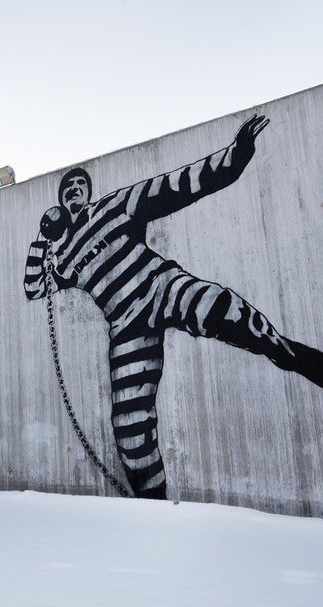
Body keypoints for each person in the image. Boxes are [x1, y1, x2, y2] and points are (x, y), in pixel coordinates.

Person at [24, 114, 323, 499]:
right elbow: (34, 287)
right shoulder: (63, 257)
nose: (74, 190)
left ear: (89, 191)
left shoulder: (115, 206)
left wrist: (235, 156)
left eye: (80, 184)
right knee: (130, 430)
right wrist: (42, 237)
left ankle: (298, 358)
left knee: (223, 309)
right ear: (61, 202)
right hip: (125, 325)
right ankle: (154, 505)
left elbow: (175, 186)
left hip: (160, 286)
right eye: (68, 188)